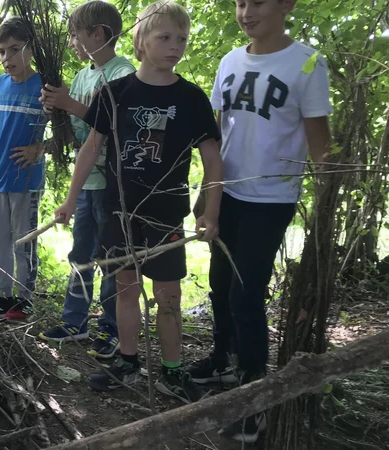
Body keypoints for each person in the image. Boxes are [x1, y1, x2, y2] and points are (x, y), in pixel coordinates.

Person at [54, 0, 223, 404]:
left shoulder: (192, 98)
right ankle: (127, 362)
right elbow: (91, 149)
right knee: (125, 291)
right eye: (165, 37)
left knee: (169, 298)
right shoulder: (116, 92)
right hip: (120, 211)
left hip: (165, 214)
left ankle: (171, 371)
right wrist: (69, 199)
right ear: (141, 42)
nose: (175, 45)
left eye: (181, 38)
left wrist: (210, 212)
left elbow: (214, 159)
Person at [186, 0, 333, 442]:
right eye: (239, 3)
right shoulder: (230, 60)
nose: (246, 12)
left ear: (286, 4)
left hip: (270, 198)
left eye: (258, 2)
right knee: (219, 286)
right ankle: (221, 361)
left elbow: (319, 142)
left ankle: (255, 398)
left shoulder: (307, 62)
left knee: (246, 295)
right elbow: (217, 137)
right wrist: (205, 193)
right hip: (227, 193)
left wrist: (329, 191)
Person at [37, 0, 136, 359]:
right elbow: (79, 132)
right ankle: (74, 321)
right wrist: (55, 109)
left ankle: (110, 327)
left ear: (98, 34)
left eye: (75, 35)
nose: (71, 43)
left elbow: (112, 126)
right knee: (81, 252)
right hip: (86, 184)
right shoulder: (83, 76)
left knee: (110, 257)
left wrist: (71, 105)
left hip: (111, 184)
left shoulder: (123, 72)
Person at [0, 17, 48, 321]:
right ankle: (2, 296)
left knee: (23, 241)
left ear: (30, 49)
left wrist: (39, 149)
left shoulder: (44, 87)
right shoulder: (0, 83)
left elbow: (65, 132)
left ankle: (24, 299)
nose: (7, 59)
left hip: (26, 180)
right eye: (2, 52)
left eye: (15, 49)